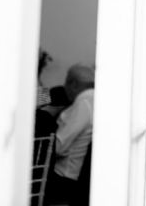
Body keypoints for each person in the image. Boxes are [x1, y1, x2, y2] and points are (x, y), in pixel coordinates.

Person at [46, 64, 95, 205]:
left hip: (64, 177)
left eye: (66, 82)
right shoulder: (97, 100)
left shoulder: (83, 103)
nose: (64, 87)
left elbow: (59, 146)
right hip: (79, 178)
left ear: (73, 84)